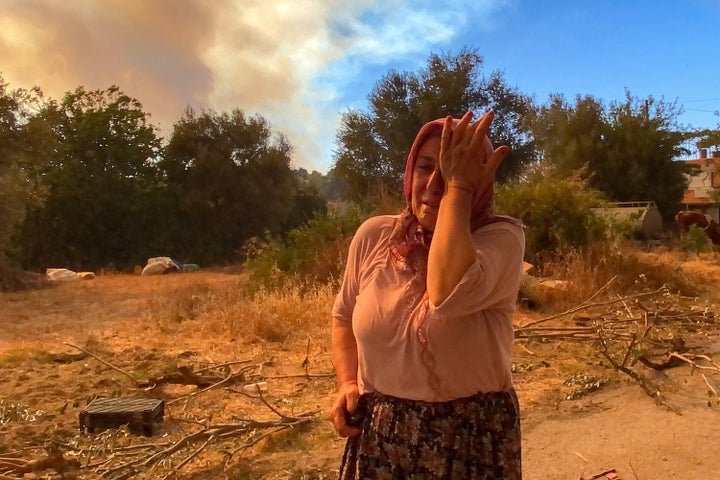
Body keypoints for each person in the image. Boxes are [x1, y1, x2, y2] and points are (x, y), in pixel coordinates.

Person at [329, 110, 525, 479]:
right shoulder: (375, 236)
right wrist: (347, 382)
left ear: (479, 179)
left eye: (451, 170)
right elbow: (343, 317)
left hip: (468, 440)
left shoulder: (500, 240)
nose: (435, 184)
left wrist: (459, 190)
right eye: (424, 167)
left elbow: (447, 291)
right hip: (382, 438)